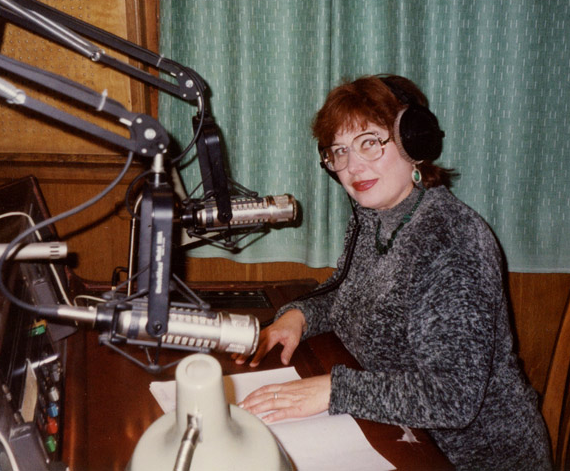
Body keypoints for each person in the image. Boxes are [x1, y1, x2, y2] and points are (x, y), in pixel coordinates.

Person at [236, 75, 552, 470]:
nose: (353, 167)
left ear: (413, 144)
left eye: (369, 142)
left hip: (472, 456)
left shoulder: (453, 241)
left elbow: (452, 396)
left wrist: (334, 390)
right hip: (404, 432)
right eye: (339, 151)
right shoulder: (377, 215)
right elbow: (354, 291)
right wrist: (299, 316)